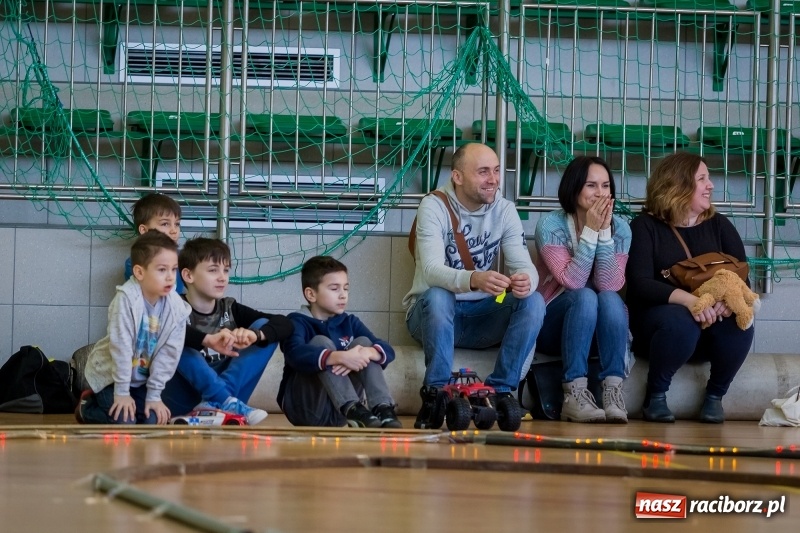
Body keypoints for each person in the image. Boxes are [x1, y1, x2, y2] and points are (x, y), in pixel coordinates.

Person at [404, 142, 545, 429]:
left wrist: (525, 281)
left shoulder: (505, 210)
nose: (493, 179)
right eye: (483, 172)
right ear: (457, 177)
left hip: (482, 315)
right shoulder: (433, 205)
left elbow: (525, 265)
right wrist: (474, 279)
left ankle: (502, 390)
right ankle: (435, 394)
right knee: (440, 295)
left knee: (534, 301)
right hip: (430, 315)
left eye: (496, 171)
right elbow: (430, 271)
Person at [626, 152, 754, 423]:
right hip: (659, 329)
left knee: (742, 322)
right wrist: (687, 300)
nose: (711, 185)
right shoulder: (644, 226)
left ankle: (715, 396)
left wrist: (726, 304)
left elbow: (743, 277)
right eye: (702, 179)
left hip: (710, 326)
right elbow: (639, 284)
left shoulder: (719, 225)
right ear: (679, 185)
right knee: (681, 320)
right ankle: (656, 396)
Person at [534, 156, 631, 423]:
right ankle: (574, 394)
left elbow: (609, 284)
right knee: (585, 296)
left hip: (598, 328)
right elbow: (573, 282)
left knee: (610, 299)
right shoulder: (550, 225)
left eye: (605, 185)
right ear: (574, 189)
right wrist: (590, 230)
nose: (600, 193)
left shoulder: (621, 229)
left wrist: (604, 234)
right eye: (591, 186)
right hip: (553, 323)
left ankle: (612, 391)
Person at [161, 238, 294, 425]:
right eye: (213, 270)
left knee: (266, 328)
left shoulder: (229, 308)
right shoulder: (173, 306)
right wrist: (206, 339)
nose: (222, 277)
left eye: (226, 270)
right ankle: (221, 399)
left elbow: (286, 324)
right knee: (173, 337)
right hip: (183, 400)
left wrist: (255, 335)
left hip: (231, 398)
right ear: (188, 276)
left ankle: (218, 402)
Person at [76, 230, 191, 424]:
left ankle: (126, 405)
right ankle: (88, 408)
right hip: (112, 379)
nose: (171, 277)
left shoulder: (177, 308)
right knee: (125, 422)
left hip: (141, 381)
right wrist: (121, 392)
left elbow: (169, 354)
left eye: (174, 269)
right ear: (139, 272)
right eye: (162, 270)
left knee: (152, 421)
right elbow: (121, 348)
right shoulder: (126, 299)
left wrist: (154, 395)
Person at [279, 256, 401, 428]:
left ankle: (382, 408)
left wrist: (368, 352)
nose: (343, 295)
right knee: (321, 342)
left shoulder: (349, 321)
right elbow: (294, 354)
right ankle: (352, 407)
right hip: (307, 411)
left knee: (364, 343)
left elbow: (388, 350)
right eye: (334, 289)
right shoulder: (296, 322)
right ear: (311, 294)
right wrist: (338, 357)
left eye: (346, 288)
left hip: (339, 416)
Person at [125, 193, 185, 294]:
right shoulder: (133, 263)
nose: (174, 230)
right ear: (144, 230)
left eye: (177, 224)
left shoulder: (184, 259)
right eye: (165, 224)